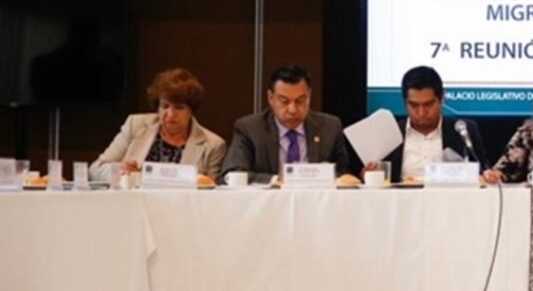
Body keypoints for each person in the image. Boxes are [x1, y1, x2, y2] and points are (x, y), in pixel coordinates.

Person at [220, 65, 350, 183]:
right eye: (284, 101)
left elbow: (345, 175)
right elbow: (232, 174)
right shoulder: (250, 128)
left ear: (309, 97)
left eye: (300, 101)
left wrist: (326, 174)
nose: (292, 109)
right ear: (270, 98)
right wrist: (276, 180)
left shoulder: (330, 127)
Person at [90, 68, 225, 182]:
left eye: (178, 108)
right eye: (165, 106)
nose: (170, 114)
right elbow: (96, 169)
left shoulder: (213, 145)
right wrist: (119, 170)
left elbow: (211, 191)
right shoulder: (136, 125)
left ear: (192, 111)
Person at [383, 66, 488, 183]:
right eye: (414, 105)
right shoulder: (391, 133)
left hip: (451, 199)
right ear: (405, 103)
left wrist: (487, 176)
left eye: (428, 105)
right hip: (401, 200)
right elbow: (379, 176)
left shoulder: (463, 131)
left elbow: (483, 173)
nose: (421, 112)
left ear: (442, 99)